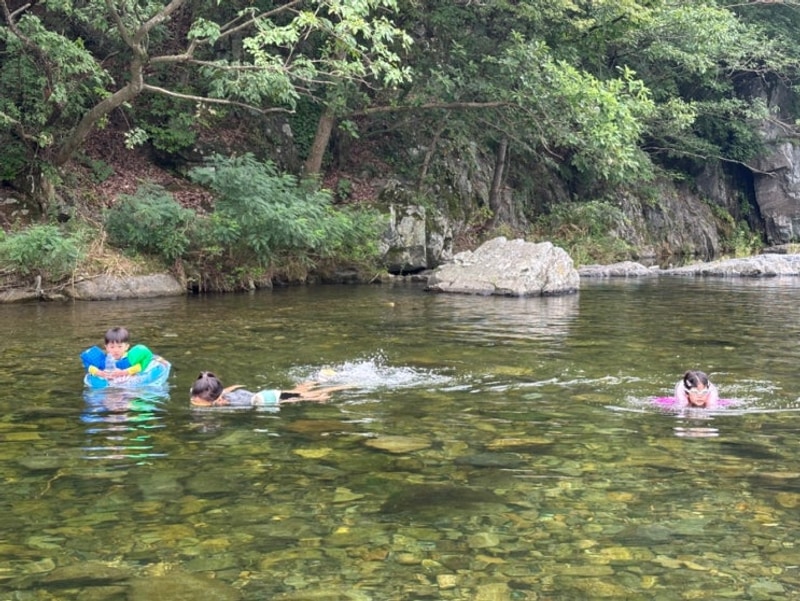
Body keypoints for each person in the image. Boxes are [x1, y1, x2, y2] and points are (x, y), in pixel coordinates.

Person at [190, 371, 351, 408]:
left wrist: (312, 400)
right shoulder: (202, 391)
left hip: (264, 397)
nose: (194, 401)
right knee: (295, 390)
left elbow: (281, 399)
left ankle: (346, 385)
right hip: (248, 393)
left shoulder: (236, 403)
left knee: (300, 395)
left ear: (218, 399)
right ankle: (318, 379)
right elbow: (228, 388)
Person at [81, 326, 159, 381]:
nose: (116, 350)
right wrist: (100, 373)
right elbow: (88, 366)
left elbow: (140, 365)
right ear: (106, 347)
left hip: (130, 383)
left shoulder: (130, 358)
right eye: (112, 347)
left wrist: (125, 372)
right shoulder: (104, 361)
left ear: (127, 347)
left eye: (120, 346)